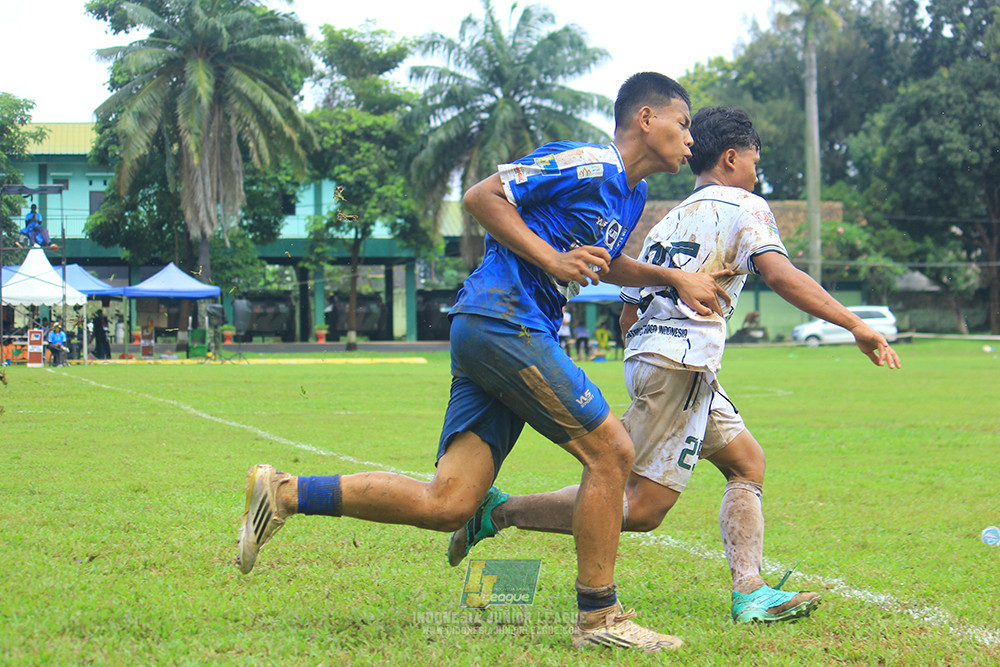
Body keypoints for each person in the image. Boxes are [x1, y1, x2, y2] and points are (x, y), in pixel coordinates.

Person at [236, 72, 732, 652]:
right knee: (612, 452)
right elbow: (481, 195)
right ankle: (600, 619)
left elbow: (603, 263)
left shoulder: (633, 193)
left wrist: (671, 278)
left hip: (503, 330)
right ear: (646, 119)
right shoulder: (591, 163)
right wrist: (552, 258)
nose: (690, 138)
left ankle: (285, 493)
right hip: (505, 321)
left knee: (449, 503)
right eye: (683, 123)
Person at [447, 106, 902, 624]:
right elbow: (780, 274)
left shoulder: (672, 217)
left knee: (746, 463)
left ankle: (750, 589)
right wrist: (856, 324)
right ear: (732, 158)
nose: (757, 173)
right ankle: (499, 512)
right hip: (679, 364)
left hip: (670, 361)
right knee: (639, 506)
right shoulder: (745, 205)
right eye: (754, 161)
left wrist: (645, 355)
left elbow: (629, 301)